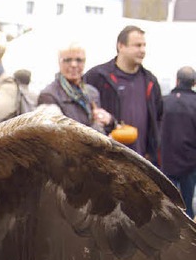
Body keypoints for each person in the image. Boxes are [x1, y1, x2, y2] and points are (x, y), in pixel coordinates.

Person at [84, 25, 162, 164]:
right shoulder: (97, 76)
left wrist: (152, 152)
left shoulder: (150, 81)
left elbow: (158, 120)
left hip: (141, 161)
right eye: (137, 45)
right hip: (107, 159)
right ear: (121, 46)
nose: (142, 50)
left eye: (144, 45)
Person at [38, 42, 112, 133]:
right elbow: (56, 134)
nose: (73, 65)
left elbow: (104, 130)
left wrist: (110, 121)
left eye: (79, 60)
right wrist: (96, 127)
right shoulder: (49, 95)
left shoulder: (92, 93)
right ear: (59, 62)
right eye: (67, 60)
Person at [160, 66, 196, 218]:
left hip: (167, 162)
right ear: (194, 83)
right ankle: (188, 239)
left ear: (177, 80)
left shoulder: (164, 102)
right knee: (187, 206)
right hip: (191, 162)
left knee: (169, 207)